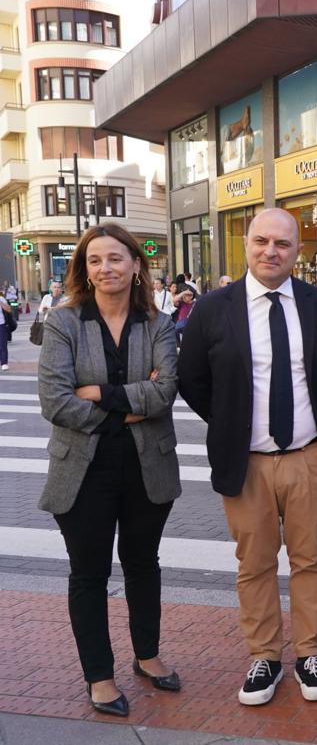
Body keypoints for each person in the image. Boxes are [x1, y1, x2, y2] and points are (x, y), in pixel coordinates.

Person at [178, 209, 317, 706]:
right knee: (253, 563)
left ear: (298, 251)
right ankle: (264, 658)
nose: (271, 251)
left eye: (283, 244)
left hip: (308, 457)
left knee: (309, 559)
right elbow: (192, 380)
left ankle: (309, 654)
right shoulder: (213, 308)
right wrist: (231, 423)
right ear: (247, 245)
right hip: (245, 460)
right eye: (261, 242)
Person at [37, 223, 182, 718]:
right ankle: (99, 676)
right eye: (95, 260)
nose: (106, 268)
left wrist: (97, 393)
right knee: (89, 574)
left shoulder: (158, 324)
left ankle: (148, 655)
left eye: (116, 258)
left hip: (147, 467)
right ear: (84, 268)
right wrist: (128, 406)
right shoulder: (64, 322)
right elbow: (55, 401)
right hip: (84, 468)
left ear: (136, 265)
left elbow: (164, 395)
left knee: (144, 565)